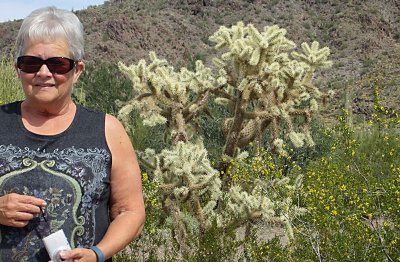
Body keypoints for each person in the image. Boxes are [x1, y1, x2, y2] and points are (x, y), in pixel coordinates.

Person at [0, 6, 145, 262]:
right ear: (18, 69)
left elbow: (130, 211)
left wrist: (97, 254)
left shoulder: (108, 130)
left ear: (77, 70)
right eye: (31, 63)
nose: (44, 73)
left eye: (57, 64)